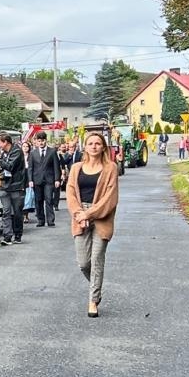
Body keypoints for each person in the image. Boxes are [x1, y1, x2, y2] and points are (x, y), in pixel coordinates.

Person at [66, 129, 121, 318]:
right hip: (79, 216)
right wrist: (79, 213)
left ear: (103, 146)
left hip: (101, 217)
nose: (94, 146)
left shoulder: (110, 168)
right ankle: (95, 286)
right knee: (83, 263)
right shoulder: (76, 168)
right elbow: (71, 193)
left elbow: (110, 198)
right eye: (91, 144)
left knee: (97, 258)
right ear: (85, 147)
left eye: (98, 143)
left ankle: (93, 300)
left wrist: (89, 214)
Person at [0, 131, 27, 244]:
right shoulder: (4, 153)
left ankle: (18, 235)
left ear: (6, 142)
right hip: (5, 185)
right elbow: (3, 167)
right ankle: (7, 237)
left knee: (17, 212)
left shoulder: (16, 151)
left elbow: (10, 166)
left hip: (16, 186)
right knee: (6, 211)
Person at [26, 133, 62, 228]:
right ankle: (41, 220)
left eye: (42, 140)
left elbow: (56, 166)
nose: (41, 143)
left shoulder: (52, 151)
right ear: (36, 142)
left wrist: (57, 179)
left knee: (49, 199)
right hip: (37, 180)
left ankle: (50, 220)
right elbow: (30, 168)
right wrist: (30, 180)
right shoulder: (33, 153)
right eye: (39, 141)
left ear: (46, 140)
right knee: (38, 200)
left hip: (49, 180)